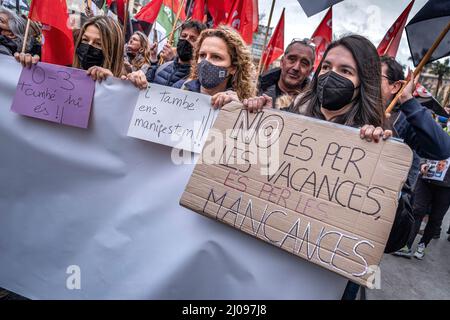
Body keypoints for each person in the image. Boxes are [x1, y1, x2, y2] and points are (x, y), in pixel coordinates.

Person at [14, 16, 146, 89]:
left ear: (112, 51)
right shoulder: (63, 70)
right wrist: (24, 66)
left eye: (98, 44)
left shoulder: (123, 82)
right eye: (85, 40)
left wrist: (114, 85)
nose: (88, 46)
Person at [180, 26, 257, 108]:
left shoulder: (241, 103)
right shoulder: (180, 90)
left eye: (216, 57)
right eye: (202, 55)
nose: (205, 62)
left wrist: (237, 108)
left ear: (233, 67)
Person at [395, 158, 450, 259]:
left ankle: (422, 245)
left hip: (447, 188)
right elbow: (426, 148)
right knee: (417, 211)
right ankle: (406, 245)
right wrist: (422, 164)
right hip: (426, 180)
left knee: (435, 218)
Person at [145, 20, 206, 87]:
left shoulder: (197, 78)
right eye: (183, 36)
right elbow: (148, 86)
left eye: (193, 39)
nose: (186, 40)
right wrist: (153, 59)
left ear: (200, 45)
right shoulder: (163, 67)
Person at [258, 38, 315, 108]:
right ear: (282, 62)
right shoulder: (254, 90)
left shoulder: (314, 106)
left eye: (304, 63)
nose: (296, 68)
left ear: (310, 71)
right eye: (292, 59)